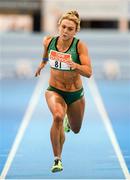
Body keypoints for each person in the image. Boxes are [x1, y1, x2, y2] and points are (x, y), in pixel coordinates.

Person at [35, 10, 92, 173]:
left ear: (76, 31)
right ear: (58, 26)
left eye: (70, 29)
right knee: (57, 116)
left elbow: (89, 72)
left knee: (76, 129)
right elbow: (46, 54)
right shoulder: (48, 41)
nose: (65, 31)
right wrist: (42, 64)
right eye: (63, 27)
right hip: (54, 90)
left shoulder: (79, 46)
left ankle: (69, 121)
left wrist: (77, 66)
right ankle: (57, 159)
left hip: (75, 94)